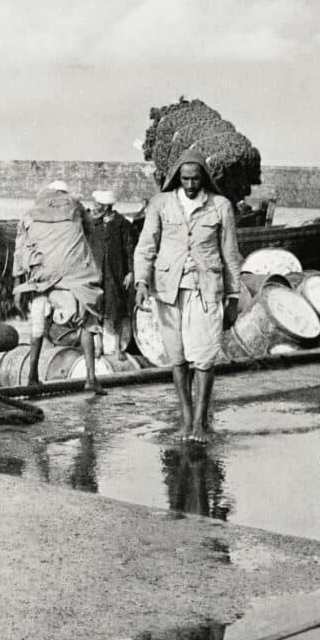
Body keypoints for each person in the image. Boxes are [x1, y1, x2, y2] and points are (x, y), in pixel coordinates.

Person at [134, 150, 242, 443]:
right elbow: (146, 246)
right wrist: (142, 281)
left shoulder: (220, 207)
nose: (191, 184)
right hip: (168, 291)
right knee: (178, 358)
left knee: (204, 357)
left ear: (203, 178)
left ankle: (200, 423)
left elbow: (230, 255)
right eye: (185, 179)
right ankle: (185, 418)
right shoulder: (161, 204)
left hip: (206, 290)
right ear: (177, 179)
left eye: (196, 179)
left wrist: (233, 298)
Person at [12, 183, 105, 393]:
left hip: (41, 276)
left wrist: (18, 283)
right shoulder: (76, 208)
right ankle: (91, 378)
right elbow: (89, 237)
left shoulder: (31, 213)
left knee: (37, 323)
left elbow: (20, 248)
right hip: (72, 276)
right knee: (86, 322)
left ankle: (32, 376)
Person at [87, 189, 135, 359]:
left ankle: (117, 347)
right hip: (97, 272)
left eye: (98, 205)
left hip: (116, 272)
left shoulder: (123, 224)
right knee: (97, 308)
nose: (95, 208)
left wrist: (130, 272)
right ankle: (98, 345)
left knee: (117, 309)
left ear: (107, 206)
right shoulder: (93, 224)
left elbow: (130, 249)